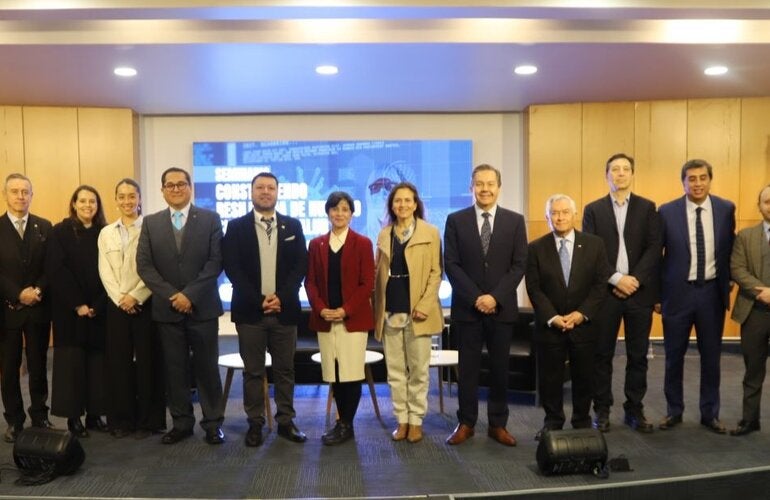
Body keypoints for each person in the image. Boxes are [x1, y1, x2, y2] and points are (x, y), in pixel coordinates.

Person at [137, 167, 225, 445]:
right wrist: (174, 296)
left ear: (190, 188)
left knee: (207, 369)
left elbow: (215, 262)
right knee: (174, 370)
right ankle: (182, 423)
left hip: (203, 309)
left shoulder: (210, 219)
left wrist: (190, 295)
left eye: (181, 184)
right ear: (162, 190)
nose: (176, 189)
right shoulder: (151, 223)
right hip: (167, 310)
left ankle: (212, 423)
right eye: (170, 185)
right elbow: (145, 266)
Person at [444, 163, 527, 447]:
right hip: (468, 310)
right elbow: (451, 265)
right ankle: (466, 422)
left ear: (498, 187)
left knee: (499, 368)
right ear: (471, 187)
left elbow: (519, 265)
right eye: (479, 184)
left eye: (490, 184)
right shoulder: (455, 220)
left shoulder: (515, 221)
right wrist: (477, 297)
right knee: (467, 369)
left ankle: (498, 424)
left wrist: (495, 297)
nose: (485, 189)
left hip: (501, 309)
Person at [222, 172, 308, 447]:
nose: (265, 192)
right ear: (251, 192)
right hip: (251, 313)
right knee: (253, 372)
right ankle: (255, 423)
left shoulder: (293, 225)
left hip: (285, 311)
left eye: (271, 187)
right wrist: (260, 300)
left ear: (278, 192)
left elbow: (300, 266)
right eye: (260, 187)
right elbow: (232, 268)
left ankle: (285, 421)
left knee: (285, 370)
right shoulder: (236, 227)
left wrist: (280, 297)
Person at [582, 153, 661, 433]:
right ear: (607, 175)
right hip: (605, 293)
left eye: (625, 169)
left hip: (639, 293)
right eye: (614, 169)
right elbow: (590, 252)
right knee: (602, 354)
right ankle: (601, 409)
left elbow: (654, 248)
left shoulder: (648, 208)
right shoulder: (593, 210)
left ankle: (634, 408)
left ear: (632, 174)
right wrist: (617, 279)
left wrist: (635, 279)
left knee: (638, 355)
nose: (620, 173)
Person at [658, 159, 735, 434]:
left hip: (712, 294)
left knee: (711, 357)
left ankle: (709, 413)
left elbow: (731, 249)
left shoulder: (726, 209)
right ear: (683, 182)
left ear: (710, 180)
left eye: (703, 178)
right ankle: (673, 411)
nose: (698, 183)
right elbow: (658, 256)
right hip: (677, 294)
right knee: (673, 356)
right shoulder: (667, 212)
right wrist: (657, 295)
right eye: (692, 179)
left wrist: (731, 281)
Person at [526, 194, 610, 440]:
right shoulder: (536, 247)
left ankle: (582, 421)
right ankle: (553, 421)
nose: (559, 217)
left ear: (575, 215)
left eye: (564, 212)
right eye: (554, 213)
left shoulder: (595, 245)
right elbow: (534, 288)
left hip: (583, 325)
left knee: (584, 376)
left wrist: (581, 314)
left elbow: (600, 283)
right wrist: (552, 316)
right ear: (547, 217)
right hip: (551, 326)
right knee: (550, 378)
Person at [374, 182, 443, 444]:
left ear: (415, 204)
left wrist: (425, 304)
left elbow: (436, 272)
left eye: (407, 200)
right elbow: (378, 273)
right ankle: (401, 419)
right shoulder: (384, 234)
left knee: (418, 370)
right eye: (397, 201)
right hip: (391, 308)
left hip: (419, 312)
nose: (402, 205)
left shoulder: (431, 232)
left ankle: (416, 421)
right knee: (395, 371)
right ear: (392, 205)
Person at [305, 191, 375, 446]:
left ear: (352, 214)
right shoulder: (316, 244)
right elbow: (310, 282)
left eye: (345, 209)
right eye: (335, 209)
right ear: (327, 212)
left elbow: (367, 283)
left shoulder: (363, 243)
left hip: (352, 320)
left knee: (351, 372)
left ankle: (346, 423)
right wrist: (321, 308)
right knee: (333, 372)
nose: (339, 213)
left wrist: (345, 309)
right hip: (325, 319)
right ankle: (342, 422)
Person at [98, 178, 165, 439]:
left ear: (140, 199)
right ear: (116, 200)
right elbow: (104, 271)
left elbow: (154, 269)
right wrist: (120, 298)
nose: (127, 201)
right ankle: (121, 420)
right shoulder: (106, 233)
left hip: (145, 303)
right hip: (117, 306)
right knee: (119, 363)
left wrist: (136, 296)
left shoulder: (152, 228)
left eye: (132, 196)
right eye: (122, 196)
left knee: (149, 362)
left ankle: (150, 421)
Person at [47, 185, 109, 437]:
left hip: (99, 309)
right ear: (73, 204)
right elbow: (56, 270)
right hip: (69, 311)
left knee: (97, 366)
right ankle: (74, 419)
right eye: (82, 201)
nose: (87, 206)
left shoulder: (105, 233)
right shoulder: (59, 232)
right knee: (71, 367)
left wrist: (97, 304)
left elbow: (111, 272)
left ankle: (95, 415)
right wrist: (78, 304)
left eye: (92, 201)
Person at [0, 173, 53, 443]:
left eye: (25, 191)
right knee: (9, 369)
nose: (20, 196)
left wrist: (38, 291)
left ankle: (40, 415)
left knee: (38, 365)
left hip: (38, 309)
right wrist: (18, 293)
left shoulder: (44, 227)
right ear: (5, 195)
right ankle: (14, 420)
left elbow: (50, 268)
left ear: (32, 195)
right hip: (7, 311)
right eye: (15, 191)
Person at [728, 184, 770, 436]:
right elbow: (737, 269)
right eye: (767, 202)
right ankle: (750, 419)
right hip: (753, 311)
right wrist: (762, 291)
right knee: (753, 369)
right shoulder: (745, 236)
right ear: (760, 205)